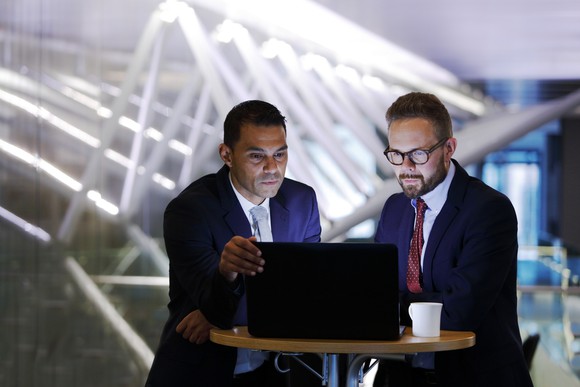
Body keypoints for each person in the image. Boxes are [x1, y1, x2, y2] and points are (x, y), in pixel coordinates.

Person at [145, 100, 322, 387]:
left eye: (280, 154)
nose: (271, 167)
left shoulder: (302, 201)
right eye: (256, 156)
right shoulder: (190, 211)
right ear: (226, 154)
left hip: (278, 373)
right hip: (203, 373)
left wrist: (216, 315)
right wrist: (223, 287)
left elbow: (308, 296)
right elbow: (215, 304)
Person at [373, 92, 533, 387]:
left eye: (418, 154)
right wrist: (422, 304)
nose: (406, 166)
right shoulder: (394, 209)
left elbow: (460, 312)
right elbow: (373, 294)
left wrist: (392, 306)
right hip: (401, 376)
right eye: (396, 154)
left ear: (449, 148)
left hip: (473, 377)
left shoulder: (488, 209)